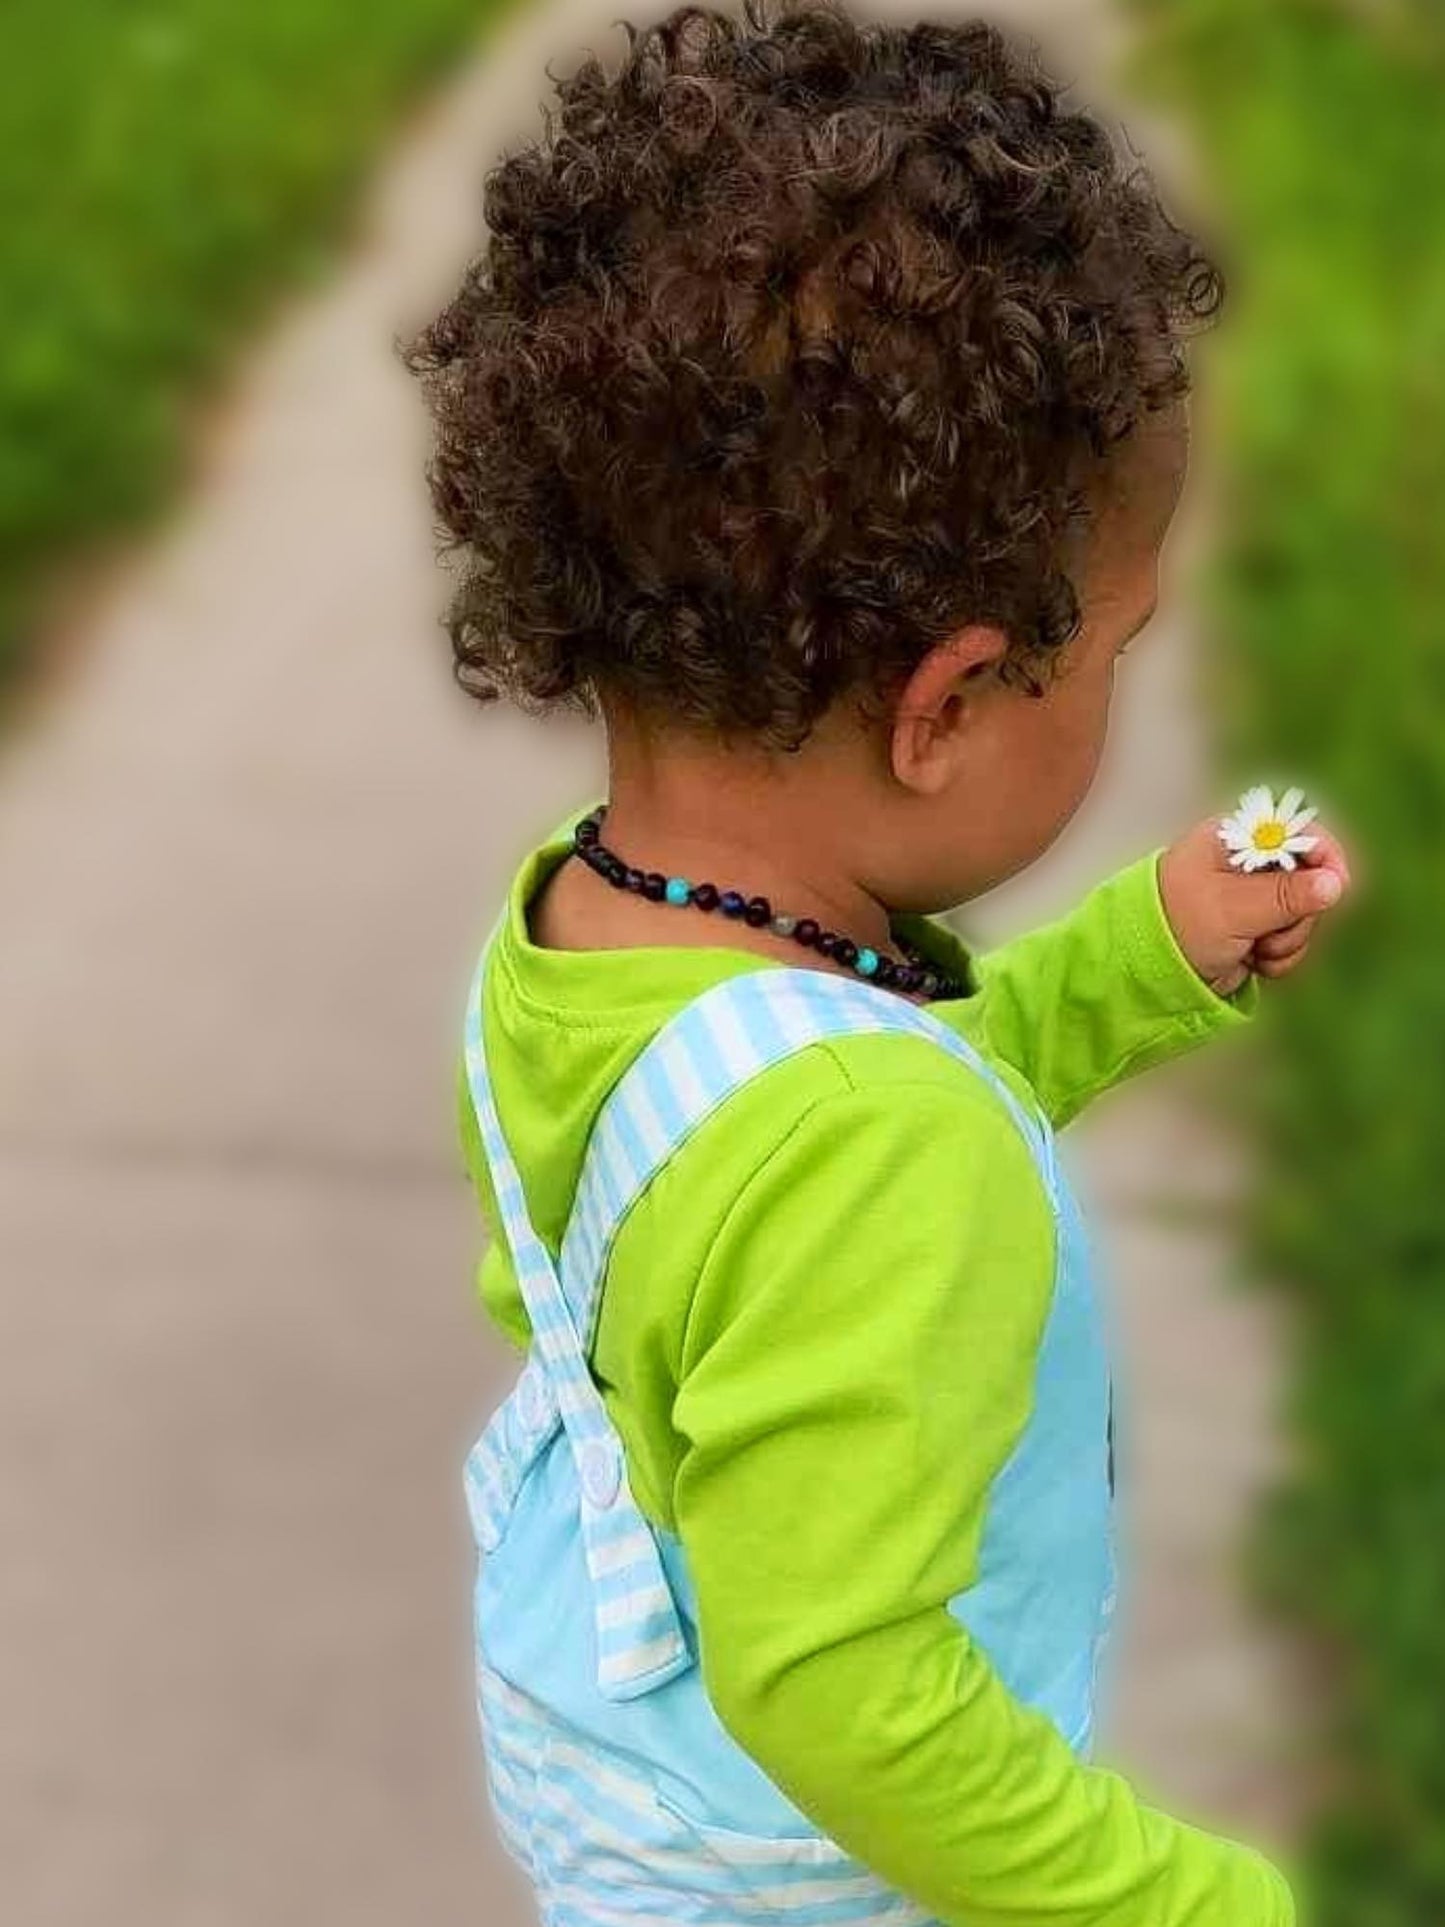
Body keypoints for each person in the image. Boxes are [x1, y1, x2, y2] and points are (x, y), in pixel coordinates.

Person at [405, 5, 1347, 1920]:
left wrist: (1135, 959)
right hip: (811, 1878)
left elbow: (778, 1131)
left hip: (625, 1800)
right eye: (1107, 647)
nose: (1120, 685)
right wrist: (1183, 1899)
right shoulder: (872, 1154)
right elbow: (839, 1683)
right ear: (942, 709)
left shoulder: (577, 931)